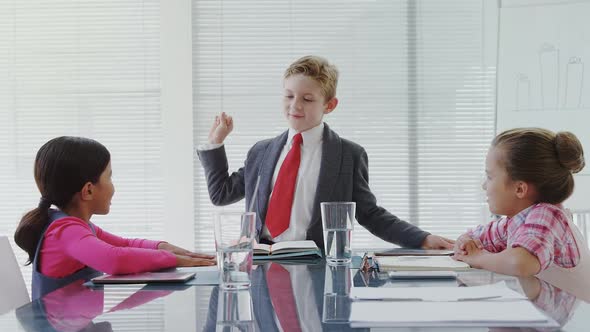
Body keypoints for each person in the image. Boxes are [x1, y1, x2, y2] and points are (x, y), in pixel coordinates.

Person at [198, 55, 453, 250]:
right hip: (262, 261)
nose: (295, 105)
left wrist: (422, 239)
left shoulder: (348, 155)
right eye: (289, 96)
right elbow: (221, 194)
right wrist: (215, 143)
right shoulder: (261, 152)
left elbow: (369, 214)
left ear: (329, 105)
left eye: (307, 99)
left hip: (317, 264)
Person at [14, 136, 215, 300]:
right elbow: (115, 259)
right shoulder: (65, 231)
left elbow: (124, 244)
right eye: (109, 177)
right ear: (89, 190)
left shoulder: (75, 226)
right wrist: (175, 260)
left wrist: (166, 247)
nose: (113, 185)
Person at [453, 128, 590, 280]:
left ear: (519, 189)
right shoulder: (515, 222)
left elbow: (520, 263)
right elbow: (474, 237)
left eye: (490, 177)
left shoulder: (548, 215)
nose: (484, 186)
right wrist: (465, 243)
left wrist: (478, 258)